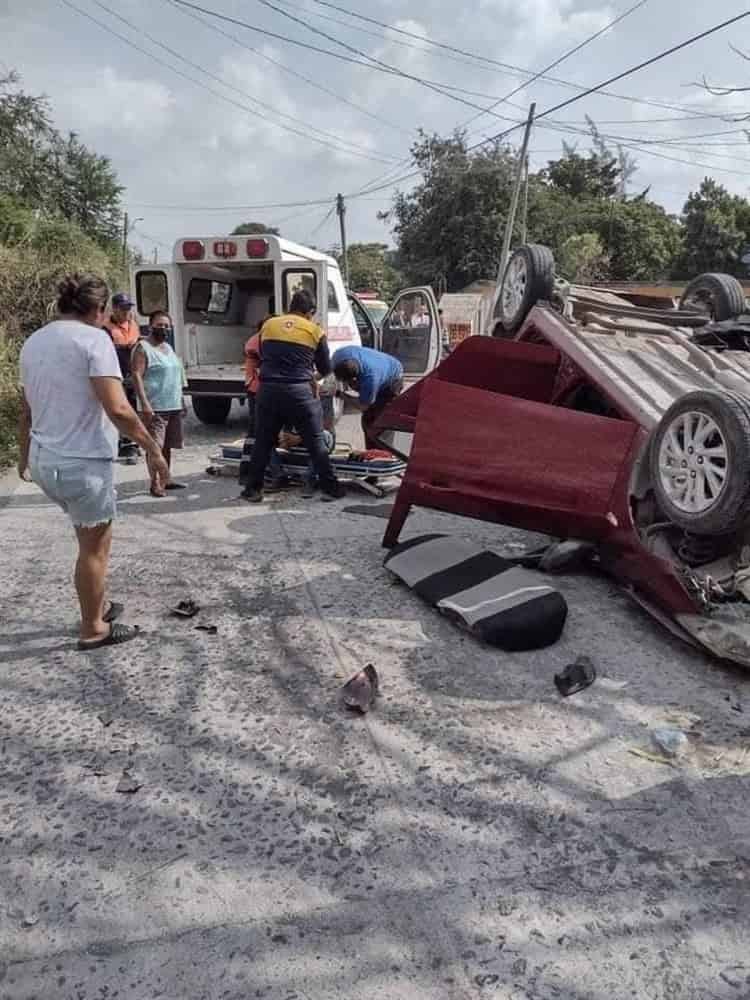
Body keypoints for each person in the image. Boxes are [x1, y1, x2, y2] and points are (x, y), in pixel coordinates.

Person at [18, 274, 169, 650]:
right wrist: (152, 449)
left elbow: (26, 410)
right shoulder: (94, 339)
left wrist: (23, 456)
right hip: (81, 464)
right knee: (94, 548)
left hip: (44, 459)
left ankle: (97, 602)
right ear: (99, 310)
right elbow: (118, 407)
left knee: (85, 537)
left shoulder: (34, 341)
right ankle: (93, 628)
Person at [241, 289, 343, 503]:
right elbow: (325, 368)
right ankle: (330, 487)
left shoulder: (269, 325)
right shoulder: (315, 331)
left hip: (268, 390)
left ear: (290, 306)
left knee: (263, 441)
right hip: (299, 392)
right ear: (310, 312)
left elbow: (261, 354)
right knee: (316, 441)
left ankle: (252, 490)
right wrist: (309, 374)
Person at [130, 310, 187, 497]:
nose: (163, 328)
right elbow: (137, 375)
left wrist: (182, 400)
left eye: (166, 326)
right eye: (159, 325)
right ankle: (155, 484)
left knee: (167, 445)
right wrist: (145, 404)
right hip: (155, 406)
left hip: (172, 404)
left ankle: (166, 479)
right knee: (154, 446)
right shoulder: (142, 347)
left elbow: (177, 375)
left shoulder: (168, 348)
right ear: (150, 325)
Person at [333, 345, 404, 449]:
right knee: (367, 420)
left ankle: (383, 454)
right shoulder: (337, 356)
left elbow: (363, 406)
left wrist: (341, 395)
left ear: (355, 379)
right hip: (380, 366)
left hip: (392, 380)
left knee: (380, 423)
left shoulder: (370, 379)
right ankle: (371, 452)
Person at [103, 292, 141, 462]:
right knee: (121, 410)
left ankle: (134, 442)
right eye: (123, 308)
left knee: (134, 408)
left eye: (128, 308)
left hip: (133, 372)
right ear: (115, 309)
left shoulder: (133, 324)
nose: (127, 312)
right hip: (117, 374)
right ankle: (126, 445)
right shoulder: (105, 329)